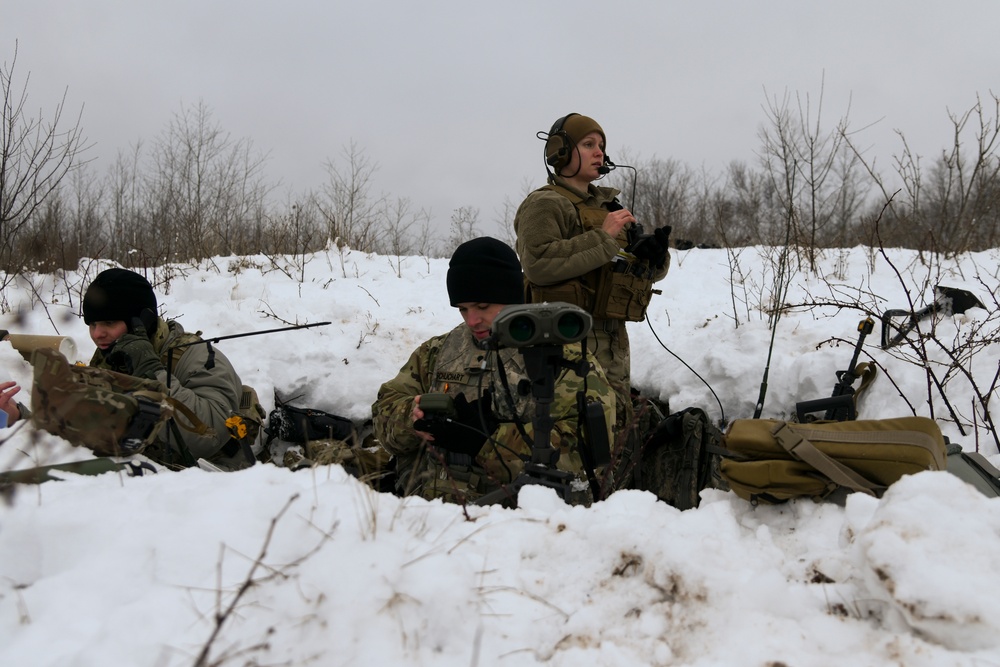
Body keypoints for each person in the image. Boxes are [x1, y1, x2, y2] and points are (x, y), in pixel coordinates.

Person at [371, 237, 617, 506]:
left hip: (515, 521)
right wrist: (413, 418)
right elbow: (385, 414)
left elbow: (588, 460)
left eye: (483, 307)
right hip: (430, 512)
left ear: (510, 297)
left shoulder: (558, 355)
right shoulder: (438, 352)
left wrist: (486, 441)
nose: (472, 320)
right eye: (463, 308)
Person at [514, 113, 671, 447]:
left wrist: (654, 257)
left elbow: (627, 267)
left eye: (601, 145)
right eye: (588, 144)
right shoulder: (545, 204)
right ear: (560, 151)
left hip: (613, 339)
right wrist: (604, 238)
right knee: (574, 434)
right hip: (565, 340)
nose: (599, 152)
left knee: (616, 432)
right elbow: (538, 262)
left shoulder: (609, 206)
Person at [43, 268, 252, 470]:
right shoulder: (110, 359)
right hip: (148, 476)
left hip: (214, 479)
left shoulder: (197, 356)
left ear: (142, 321)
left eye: (108, 322)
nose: (97, 334)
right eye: (92, 324)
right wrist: (21, 415)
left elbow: (210, 437)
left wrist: (152, 374)